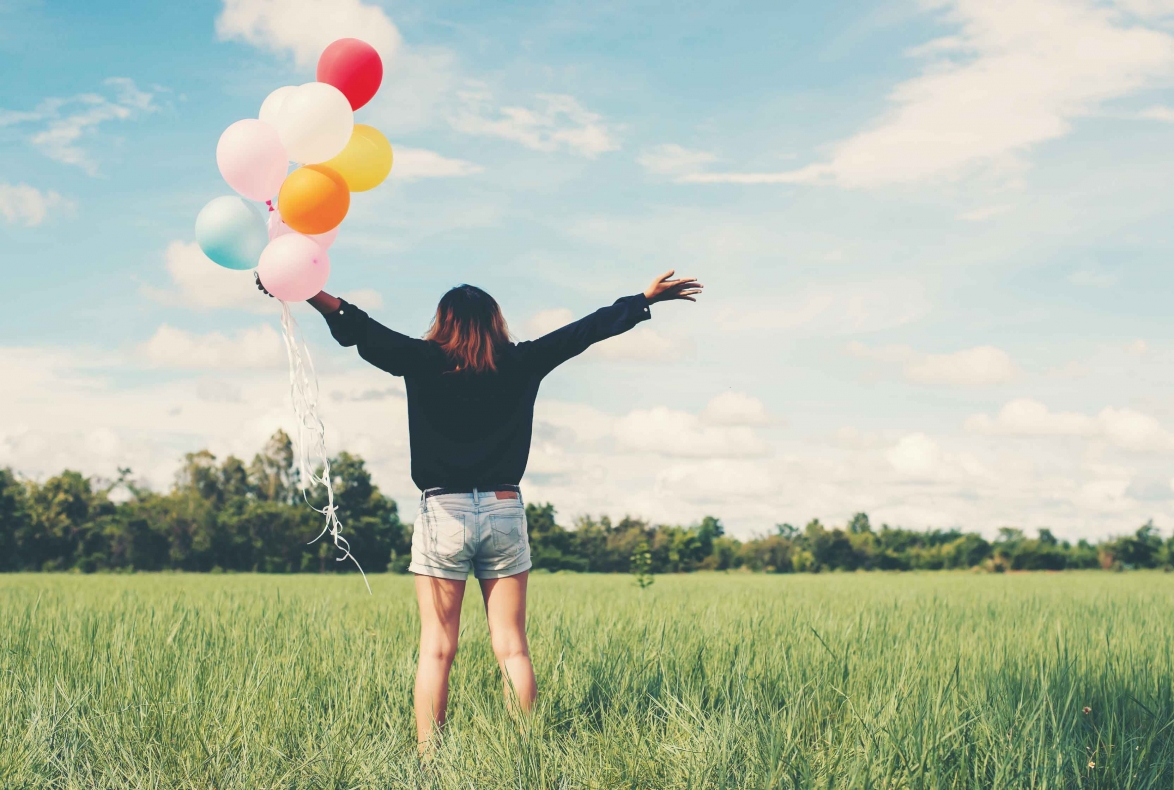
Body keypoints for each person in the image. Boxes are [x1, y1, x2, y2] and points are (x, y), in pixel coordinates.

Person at [257, 269, 703, 749]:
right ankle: (523, 757)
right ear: (495, 322)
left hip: (442, 515)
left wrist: (304, 289)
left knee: (437, 649)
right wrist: (641, 300)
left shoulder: (420, 359)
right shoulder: (522, 361)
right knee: (512, 647)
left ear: (443, 322)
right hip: (504, 510)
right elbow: (585, 331)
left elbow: (357, 326)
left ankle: (431, 765)